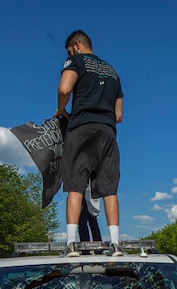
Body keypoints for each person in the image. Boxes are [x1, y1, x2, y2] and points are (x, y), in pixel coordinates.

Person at [55, 30, 124, 257]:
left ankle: (71, 244)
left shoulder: (75, 60)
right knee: (109, 189)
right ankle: (115, 243)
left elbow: (65, 88)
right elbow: (119, 114)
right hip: (107, 131)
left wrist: (62, 109)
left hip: (81, 128)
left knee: (75, 186)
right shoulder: (112, 71)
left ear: (76, 45)